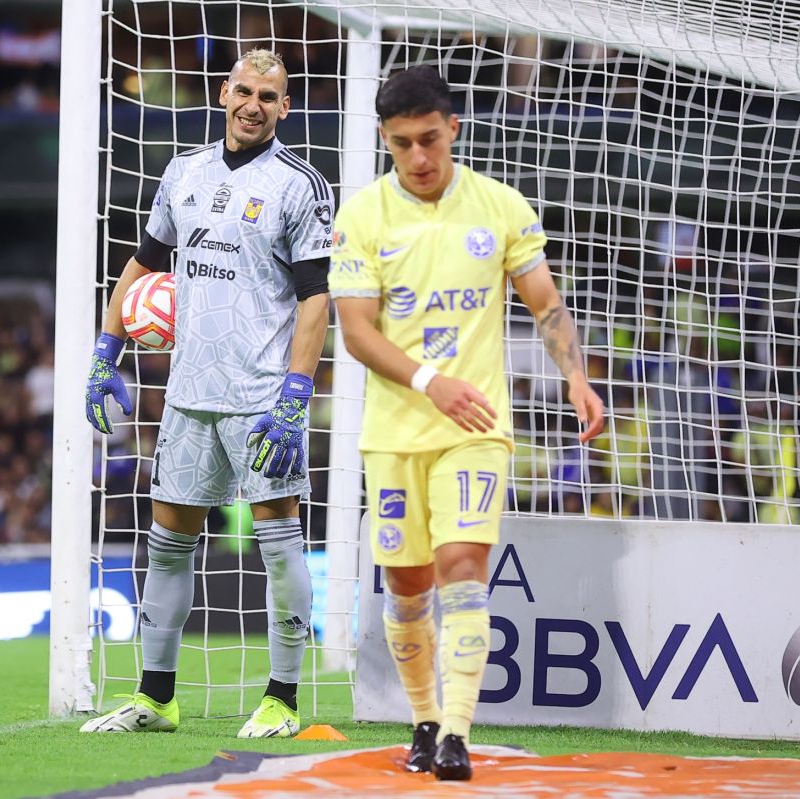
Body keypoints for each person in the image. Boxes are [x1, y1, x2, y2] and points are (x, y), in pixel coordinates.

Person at [329, 66, 605, 780]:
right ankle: (421, 719)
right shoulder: (362, 215)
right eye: (401, 145)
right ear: (385, 142)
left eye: (428, 139)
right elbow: (357, 333)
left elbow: (543, 299)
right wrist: (429, 381)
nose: (418, 158)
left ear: (454, 127)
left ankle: (455, 732)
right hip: (395, 428)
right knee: (408, 582)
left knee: (462, 570)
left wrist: (576, 374)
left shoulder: (500, 205)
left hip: (475, 424)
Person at [82, 49, 333, 738]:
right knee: (167, 543)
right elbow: (143, 263)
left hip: (259, 398)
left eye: (270, 97)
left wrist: (294, 396)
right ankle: (155, 697)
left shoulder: (299, 185)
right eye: (245, 91)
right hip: (189, 393)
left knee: (280, 546)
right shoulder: (182, 171)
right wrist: (106, 348)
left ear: (286, 107)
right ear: (224, 93)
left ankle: (281, 699)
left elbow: (316, 300)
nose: (254, 105)